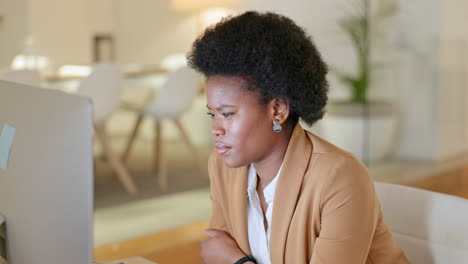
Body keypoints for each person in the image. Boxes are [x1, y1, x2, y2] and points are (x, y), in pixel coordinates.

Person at [187, 11, 410, 264]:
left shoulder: (339, 178)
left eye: (227, 114)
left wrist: (238, 262)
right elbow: (216, 251)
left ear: (278, 110)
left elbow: (224, 256)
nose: (216, 128)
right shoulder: (223, 166)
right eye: (212, 114)